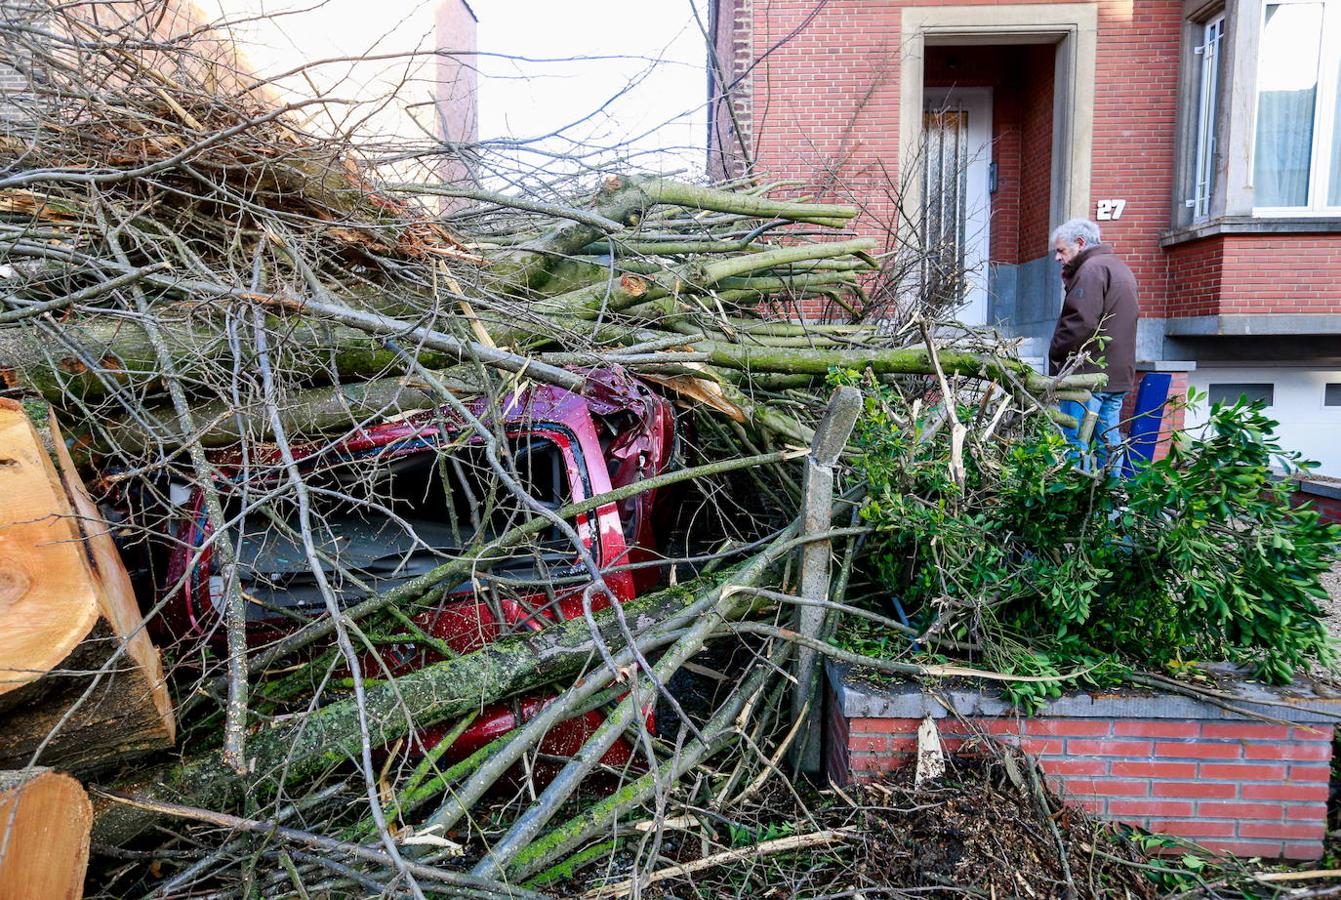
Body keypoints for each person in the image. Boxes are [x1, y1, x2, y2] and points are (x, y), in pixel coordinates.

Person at [1048, 218, 1138, 472]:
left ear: (1080, 243)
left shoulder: (1091, 270)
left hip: (1088, 376)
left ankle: (1073, 501)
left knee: (1074, 442)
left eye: (1061, 250)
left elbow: (1079, 322)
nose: (1057, 258)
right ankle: (1110, 501)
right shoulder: (1120, 268)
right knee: (1109, 441)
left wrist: (1055, 352)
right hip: (1117, 375)